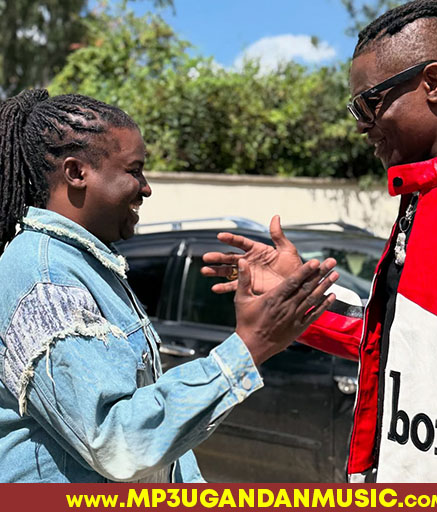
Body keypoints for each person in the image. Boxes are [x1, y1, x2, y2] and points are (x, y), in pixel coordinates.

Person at [202, 0, 437, 482]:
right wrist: (297, 292)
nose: (361, 125)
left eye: (369, 103)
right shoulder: (421, 195)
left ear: (434, 83)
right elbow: (393, 338)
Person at [0, 89, 339, 483]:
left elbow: (153, 431)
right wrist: (249, 346)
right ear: (77, 173)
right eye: (134, 170)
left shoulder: (87, 264)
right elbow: (116, 442)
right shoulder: (46, 279)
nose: (146, 188)